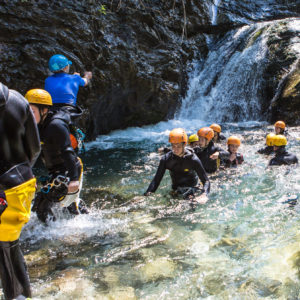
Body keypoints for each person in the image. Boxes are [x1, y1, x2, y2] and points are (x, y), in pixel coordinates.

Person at [0, 82, 40, 300]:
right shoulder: (18, 100)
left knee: (5, 251)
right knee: (10, 247)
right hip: (21, 184)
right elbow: (34, 148)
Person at [25, 89, 87, 223]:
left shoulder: (56, 125)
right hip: (55, 171)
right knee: (61, 205)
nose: (29, 115)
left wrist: (74, 179)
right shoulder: (34, 125)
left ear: (44, 110)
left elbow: (67, 151)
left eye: (32, 111)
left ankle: (55, 234)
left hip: (69, 170)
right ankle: (73, 220)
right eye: (27, 111)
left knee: (41, 207)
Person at [145, 128, 210, 203]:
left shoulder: (193, 159)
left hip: (192, 189)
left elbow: (206, 181)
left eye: (178, 146)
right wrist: (147, 194)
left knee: (189, 205)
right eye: (173, 146)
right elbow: (156, 180)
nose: (175, 150)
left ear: (184, 144)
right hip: (176, 189)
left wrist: (204, 194)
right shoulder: (166, 159)